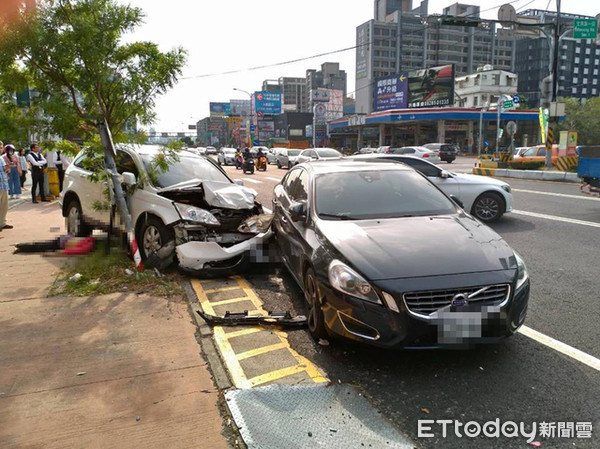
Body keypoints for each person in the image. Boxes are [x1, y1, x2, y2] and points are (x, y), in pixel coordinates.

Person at [0, 149, 12, 231]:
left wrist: (7, 169)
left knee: (4, 205)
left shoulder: (1, 158)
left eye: (1, 147)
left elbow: (5, 170)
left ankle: (2, 223)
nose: (0, 149)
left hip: (3, 184)